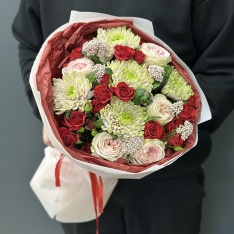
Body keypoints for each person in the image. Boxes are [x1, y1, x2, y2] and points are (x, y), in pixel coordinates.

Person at [12, 0, 234, 233]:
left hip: (165, 182)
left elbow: (224, 65)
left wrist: (170, 134)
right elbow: (30, 44)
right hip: (80, 176)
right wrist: (49, 115)